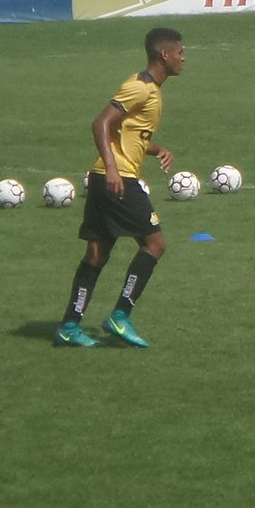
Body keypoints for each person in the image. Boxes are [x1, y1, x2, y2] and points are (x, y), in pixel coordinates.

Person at [56, 28, 184, 349]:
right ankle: (120, 315)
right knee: (155, 244)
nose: (183, 58)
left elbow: (130, 133)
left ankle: (70, 326)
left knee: (97, 254)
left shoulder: (151, 89)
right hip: (118, 179)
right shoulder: (139, 87)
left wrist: (156, 149)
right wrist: (113, 167)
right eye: (180, 52)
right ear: (164, 55)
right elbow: (101, 122)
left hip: (104, 178)